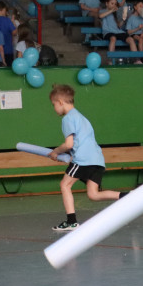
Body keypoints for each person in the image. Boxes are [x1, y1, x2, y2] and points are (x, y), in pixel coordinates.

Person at [47, 83, 125, 231]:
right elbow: (80, 142)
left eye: (53, 104)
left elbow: (69, 144)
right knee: (93, 194)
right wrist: (66, 154)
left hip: (83, 160)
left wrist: (56, 152)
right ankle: (126, 196)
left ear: (60, 102)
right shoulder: (81, 118)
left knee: (65, 185)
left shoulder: (68, 119)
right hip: (97, 160)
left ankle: (71, 221)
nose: (54, 108)